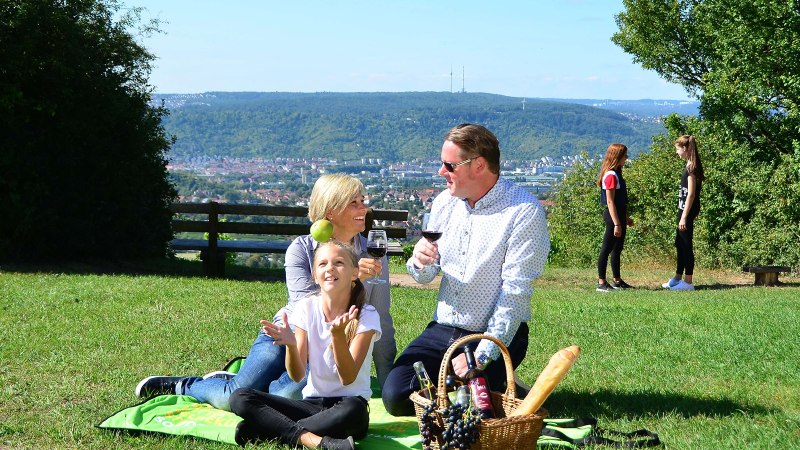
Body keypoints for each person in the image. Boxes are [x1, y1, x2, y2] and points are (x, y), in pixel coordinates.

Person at [135, 174, 395, 410]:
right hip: (288, 333)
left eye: (363, 201)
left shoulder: (373, 254)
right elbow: (304, 303)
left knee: (287, 397)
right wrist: (350, 275)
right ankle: (187, 385)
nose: (364, 209)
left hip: (331, 346)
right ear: (330, 211)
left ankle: (250, 386)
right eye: (354, 203)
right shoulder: (302, 249)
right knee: (231, 396)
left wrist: (386, 385)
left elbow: (380, 316)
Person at [381, 123, 550, 417]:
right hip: (443, 328)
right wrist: (420, 262)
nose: (440, 172)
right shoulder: (445, 202)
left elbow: (515, 295)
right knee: (396, 397)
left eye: (449, 165)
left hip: (494, 335)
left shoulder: (523, 211)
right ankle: (492, 387)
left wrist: (483, 354)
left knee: (472, 406)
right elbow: (425, 276)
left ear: (479, 165)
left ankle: (493, 383)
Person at [230, 240, 381, 450]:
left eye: (339, 262)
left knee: (354, 409)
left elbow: (348, 377)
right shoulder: (306, 308)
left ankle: (265, 432)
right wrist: (292, 346)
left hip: (348, 406)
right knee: (240, 397)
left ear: (354, 273)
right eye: (323, 264)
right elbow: (297, 374)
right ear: (315, 275)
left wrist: (337, 337)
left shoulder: (366, 314)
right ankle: (315, 442)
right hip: (311, 404)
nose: (330, 268)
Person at [662, 135, 704, 291]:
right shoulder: (688, 164)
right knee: (679, 243)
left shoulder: (691, 167)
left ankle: (688, 281)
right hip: (682, 210)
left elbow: (692, 194)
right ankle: (678, 277)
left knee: (686, 245)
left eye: (677, 149)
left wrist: (685, 217)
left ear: (685, 148)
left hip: (686, 212)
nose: (677, 152)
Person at [595, 143, 634, 293]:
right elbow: (611, 201)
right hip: (613, 217)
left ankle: (617, 280)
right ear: (618, 156)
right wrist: (617, 223)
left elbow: (620, 201)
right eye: (625, 155)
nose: (626, 158)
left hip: (618, 215)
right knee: (607, 249)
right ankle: (601, 282)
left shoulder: (617, 172)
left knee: (617, 249)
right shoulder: (610, 175)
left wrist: (625, 218)